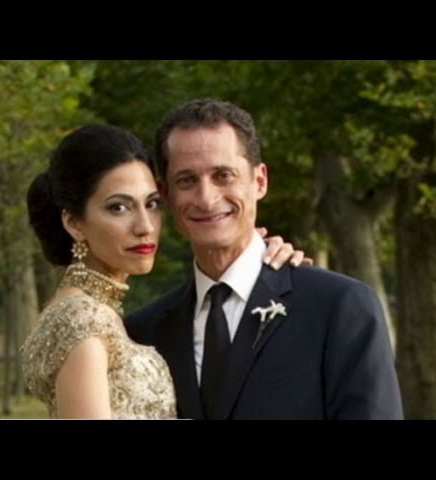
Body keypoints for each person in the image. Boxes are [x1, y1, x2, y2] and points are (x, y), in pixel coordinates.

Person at [125, 98, 404, 420]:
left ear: (259, 181)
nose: (206, 198)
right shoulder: (143, 332)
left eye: (223, 175)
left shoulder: (339, 307)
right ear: (166, 194)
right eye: (186, 180)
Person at [20, 124, 307, 419]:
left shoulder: (102, 313)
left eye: (152, 204)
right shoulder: (82, 319)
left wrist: (253, 252)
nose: (145, 227)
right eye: (118, 208)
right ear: (74, 223)